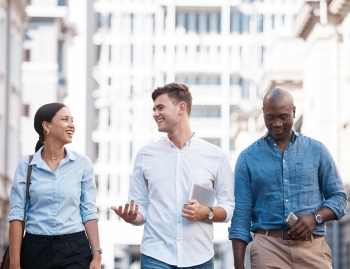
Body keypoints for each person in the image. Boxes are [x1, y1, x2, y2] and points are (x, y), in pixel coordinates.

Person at [111, 83, 234, 269]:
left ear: (181, 108)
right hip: (156, 255)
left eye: (160, 107)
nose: (155, 114)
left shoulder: (216, 156)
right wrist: (132, 217)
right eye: (153, 109)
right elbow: (141, 208)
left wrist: (206, 212)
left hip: (199, 258)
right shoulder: (145, 155)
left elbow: (228, 206)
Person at [229, 88, 348, 269]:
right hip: (268, 249)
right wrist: (238, 266)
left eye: (283, 117)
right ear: (263, 114)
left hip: (312, 249)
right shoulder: (247, 157)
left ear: (294, 111)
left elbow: (339, 198)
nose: (277, 123)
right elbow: (241, 214)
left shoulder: (317, 151)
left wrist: (314, 218)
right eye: (270, 117)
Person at [8, 103, 101, 269]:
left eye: (72, 120)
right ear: (46, 126)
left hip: (75, 248)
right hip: (35, 249)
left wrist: (96, 253)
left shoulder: (82, 164)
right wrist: (15, 263)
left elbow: (89, 211)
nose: (72, 125)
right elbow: (17, 215)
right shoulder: (26, 165)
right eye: (65, 119)